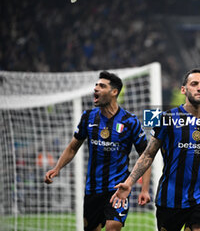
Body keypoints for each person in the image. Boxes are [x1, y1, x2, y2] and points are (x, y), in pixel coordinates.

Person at [110, 68, 200, 231]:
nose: (199, 87)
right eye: (194, 84)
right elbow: (149, 154)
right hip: (170, 198)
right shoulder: (168, 118)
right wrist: (129, 183)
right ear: (184, 90)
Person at [44, 71, 151, 231]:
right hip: (93, 189)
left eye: (102, 86)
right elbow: (73, 147)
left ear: (114, 92)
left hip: (118, 188)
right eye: (96, 85)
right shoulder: (88, 117)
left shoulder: (130, 121)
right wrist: (57, 168)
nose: (96, 88)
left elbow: (146, 156)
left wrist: (145, 189)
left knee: (113, 226)